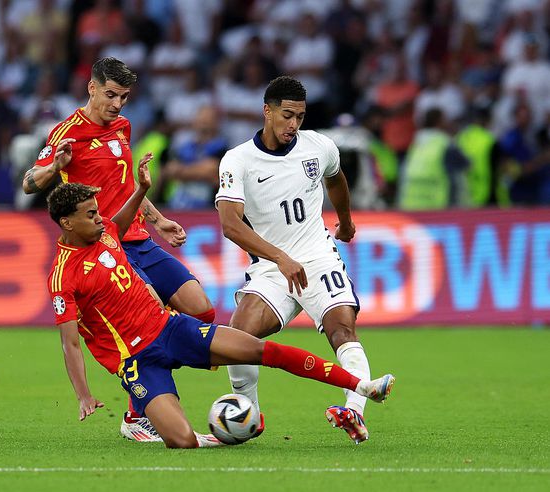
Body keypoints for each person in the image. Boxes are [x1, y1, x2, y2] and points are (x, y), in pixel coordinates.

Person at [47, 159, 395, 449]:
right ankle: (211, 434)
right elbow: (70, 342)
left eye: (96, 212)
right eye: (90, 214)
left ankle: (359, 386)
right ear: (67, 223)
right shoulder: (63, 277)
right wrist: (83, 395)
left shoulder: (105, 230)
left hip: (172, 329)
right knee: (180, 441)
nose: (98, 217)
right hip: (137, 361)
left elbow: (119, 221)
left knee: (263, 351)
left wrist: (141, 189)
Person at [22, 57, 216, 442]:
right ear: (92, 88)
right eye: (111, 94)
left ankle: (148, 393)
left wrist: (158, 220)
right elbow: (30, 182)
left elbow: (125, 184)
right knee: (150, 324)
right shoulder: (67, 134)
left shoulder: (122, 128)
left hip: (140, 237)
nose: (117, 104)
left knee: (200, 308)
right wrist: (53, 167)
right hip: (107, 246)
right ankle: (136, 412)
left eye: (124, 97)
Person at [216, 76, 381, 445]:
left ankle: (354, 410)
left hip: (318, 258)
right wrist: (280, 258)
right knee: (237, 339)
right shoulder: (239, 160)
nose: (293, 124)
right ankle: (248, 416)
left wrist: (347, 221)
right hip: (272, 268)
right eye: (287, 115)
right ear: (267, 111)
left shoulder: (319, 146)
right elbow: (229, 224)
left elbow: (335, 179)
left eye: (300, 117)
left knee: (343, 331)